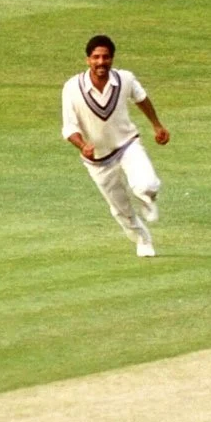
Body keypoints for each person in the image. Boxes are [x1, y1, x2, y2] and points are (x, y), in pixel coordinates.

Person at [61, 35, 170, 258]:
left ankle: (147, 198)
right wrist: (82, 146)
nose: (101, 62)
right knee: (122, 210)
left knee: (147, 183)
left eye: (106, 57)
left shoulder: (125, 79)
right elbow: (69, 127)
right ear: (87, 60)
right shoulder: (72, 88)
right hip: (98, 159)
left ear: (112, 58)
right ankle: (143, 240)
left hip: (126, 144)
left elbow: (141, 98)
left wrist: (157, 125)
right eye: (96, 58)